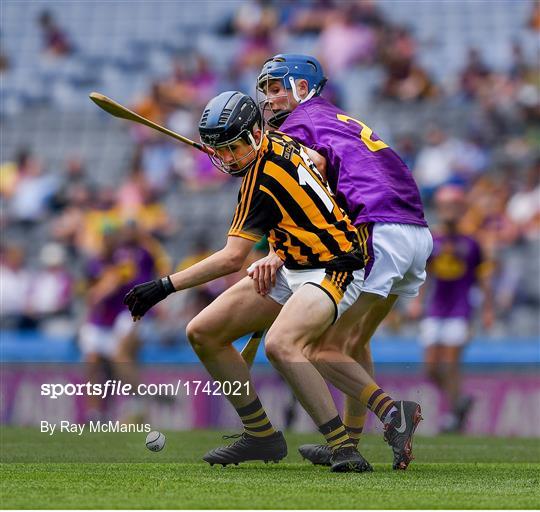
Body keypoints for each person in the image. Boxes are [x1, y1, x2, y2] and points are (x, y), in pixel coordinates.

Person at [124, 91, 418, 472]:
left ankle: (345, 446)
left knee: (282, 344)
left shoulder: (258, 181)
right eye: (220, 150)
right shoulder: (283, 142)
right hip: (292, 263)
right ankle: (261, 434)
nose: (227, 159)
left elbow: (232, 258)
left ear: (255, 134)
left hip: (335, 266)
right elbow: (314, 163)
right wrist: (278, 251)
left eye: (233, 148)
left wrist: (163, 286)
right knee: (203, 331)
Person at [253, 54, 432, 469]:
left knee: (317, 346)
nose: (270, 98)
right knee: (352, 343)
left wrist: (278, 251)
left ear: (302, 87)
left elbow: (309, 177)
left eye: (277, 87)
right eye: (266, 90)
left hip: (377, 229)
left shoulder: (299, 124)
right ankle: (349, 440)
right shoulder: (333, 117)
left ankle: (393, 414)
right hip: (414, 231)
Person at [409, 185, 494, 433]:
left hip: (461, 309)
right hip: (435, 309)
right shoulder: (432, 240)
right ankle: (459, 405)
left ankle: (454, 415)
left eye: (454, 206)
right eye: (445, 206)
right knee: (431, 368)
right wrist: (417, 302)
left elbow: (483, 279)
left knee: (450, 365)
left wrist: (487, 310)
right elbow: (426, 275)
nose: (450, 211)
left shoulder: (472, 242)